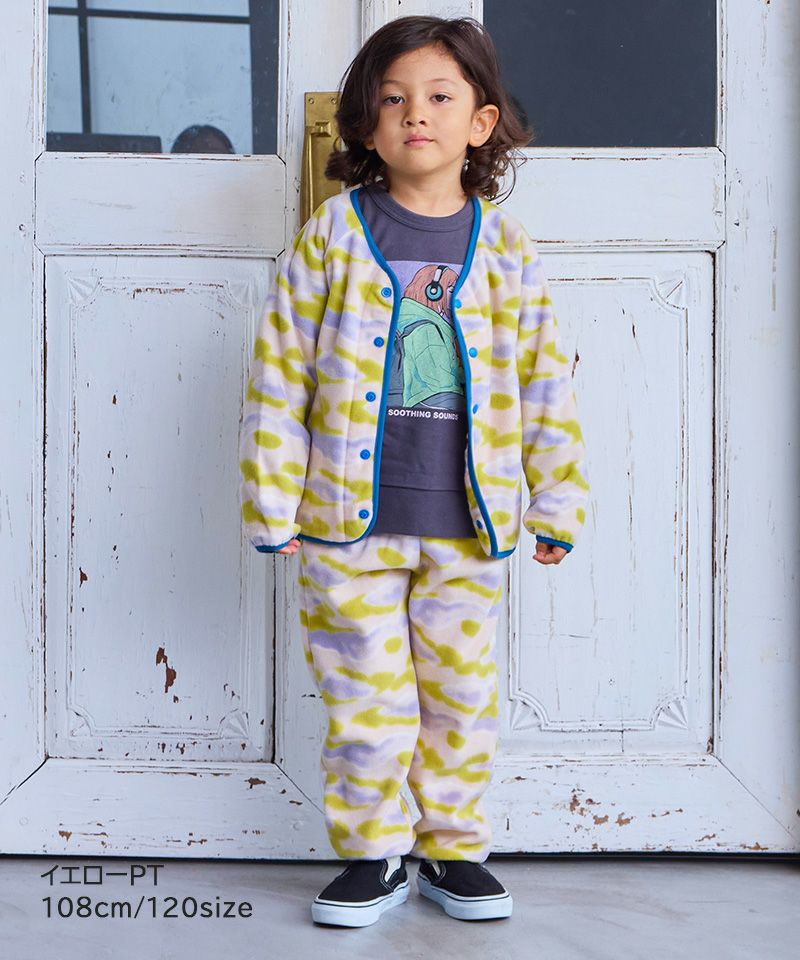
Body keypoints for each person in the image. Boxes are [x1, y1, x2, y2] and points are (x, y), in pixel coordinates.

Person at [238, 15, 590, 928]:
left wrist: (557, 500)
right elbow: (280, 373)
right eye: (392, 100)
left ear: (481, 122)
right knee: (366, 701)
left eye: (439, 97)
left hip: (469, 529)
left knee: (461, 700)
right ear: (364, 123)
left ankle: (452, 849)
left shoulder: (506, 249)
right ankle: (372, 854)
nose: (415, 115)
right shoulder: (333, 234)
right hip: (342, 525)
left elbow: (546, 380)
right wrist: (272, 501)